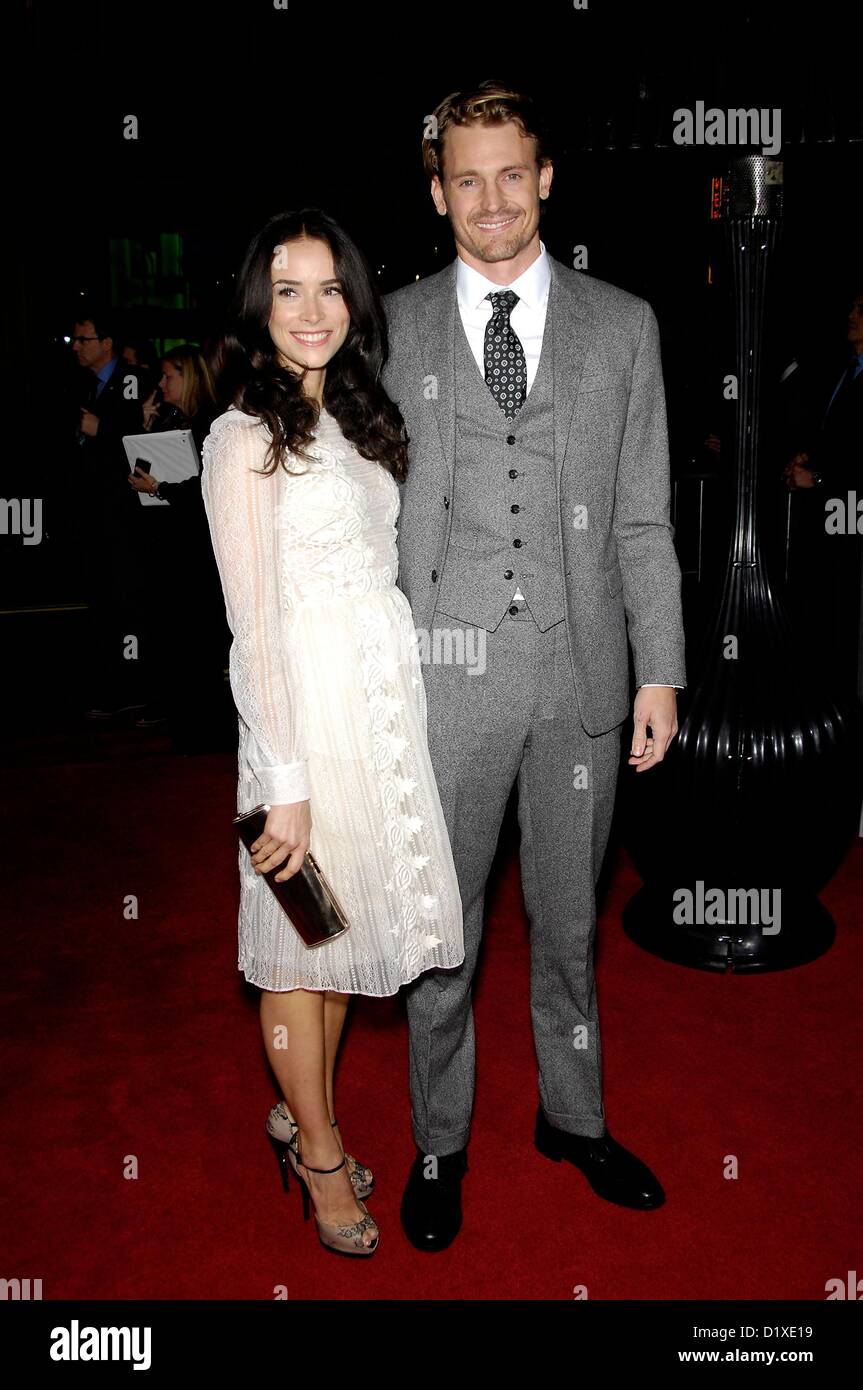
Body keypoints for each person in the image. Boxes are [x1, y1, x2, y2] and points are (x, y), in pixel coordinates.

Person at [382, 80, 686, 1251]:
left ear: (546, 177)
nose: (491, 199)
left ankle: (573, 1117)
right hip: (441, 675)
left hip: (578, 680)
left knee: (566, 927)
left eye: (512, 173)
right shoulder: (395, 323)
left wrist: (658, 670)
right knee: (440, 931)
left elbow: (643, 520)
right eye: (466, 178)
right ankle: (438, 1137)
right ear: (436, 192)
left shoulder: (623, 325)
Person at [200, 209, 465, 1256]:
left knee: (342, 943)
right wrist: (284, 778)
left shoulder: (359, 421)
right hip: (299, 732)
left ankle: (296, 1107)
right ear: (258, 307)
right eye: (288, 290)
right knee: (294, 950)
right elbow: (253, 626)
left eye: (330, 289)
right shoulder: (239, 439)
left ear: (354, 303)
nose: (311, 311)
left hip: (377, 718)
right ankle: (317, 1152)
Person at [126, 345, 227, 748]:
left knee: (197, 640)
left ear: (189, 377)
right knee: (182, 638)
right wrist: (148, 426)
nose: (161, 384)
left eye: (169, 376)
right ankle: (189, 725)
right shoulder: (176, 420)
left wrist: (161, 488)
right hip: (178, 546)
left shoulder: (211, 423)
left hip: (200, 550)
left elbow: (208, 490)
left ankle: (202, 729)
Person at [70, 307, 146, 717]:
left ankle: (131, 686)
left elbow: (139, 439)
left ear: (106, 343)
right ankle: (115, 682)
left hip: (123, 513)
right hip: (99, 511)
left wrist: (104, 433)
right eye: (75, 340)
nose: (77, 348)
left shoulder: (130, 379)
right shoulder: (89, 385)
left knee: (124, 598)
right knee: (105, 598)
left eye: (84, 340)